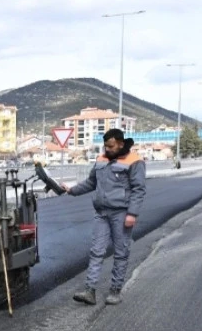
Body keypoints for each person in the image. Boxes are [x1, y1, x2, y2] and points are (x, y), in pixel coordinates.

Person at [60, 128, 146, 305]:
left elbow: (139, 189)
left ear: (121, 143)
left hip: (121, 213)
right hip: (101, 213)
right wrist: (72, 190)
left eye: (111, 146)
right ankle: (89, 291)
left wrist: (132, 213)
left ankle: (115, 290)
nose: (107, 149)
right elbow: (92, 182)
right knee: (96, 251)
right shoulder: (101, 159)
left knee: (121, 252)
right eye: (105, 146)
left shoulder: (134, 160)